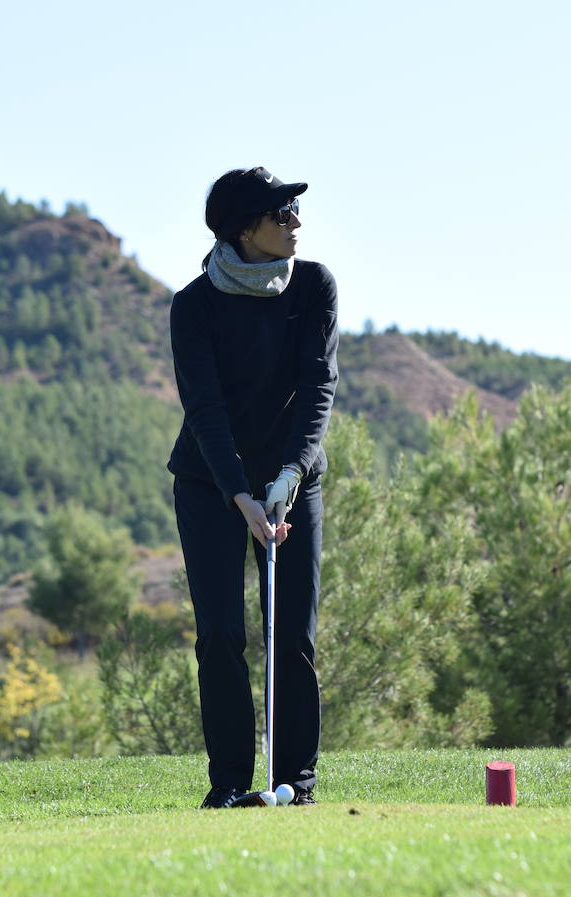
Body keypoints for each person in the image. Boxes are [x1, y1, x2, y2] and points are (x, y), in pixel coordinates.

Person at [167, 167, 339, 809]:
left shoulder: (315, 285)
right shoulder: (194, 304)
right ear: (246, 228)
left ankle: (298, 785)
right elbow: (203, 408)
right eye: (282, 211)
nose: (296, 219)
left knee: (293, 634)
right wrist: (240, 495)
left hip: (294, 478)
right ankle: (230, 786)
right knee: (220, 634)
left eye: (294, 208)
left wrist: (291, 475)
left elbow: (319, 384)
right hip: (211, 482)